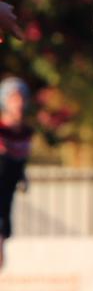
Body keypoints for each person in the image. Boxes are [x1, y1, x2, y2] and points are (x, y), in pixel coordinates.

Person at [0, 77, 33, 271]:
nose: (19, 103)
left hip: (7, 193)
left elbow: (19, 161)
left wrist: (22, 175)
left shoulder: (26, 132)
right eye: (13, 98)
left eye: (21, 98)